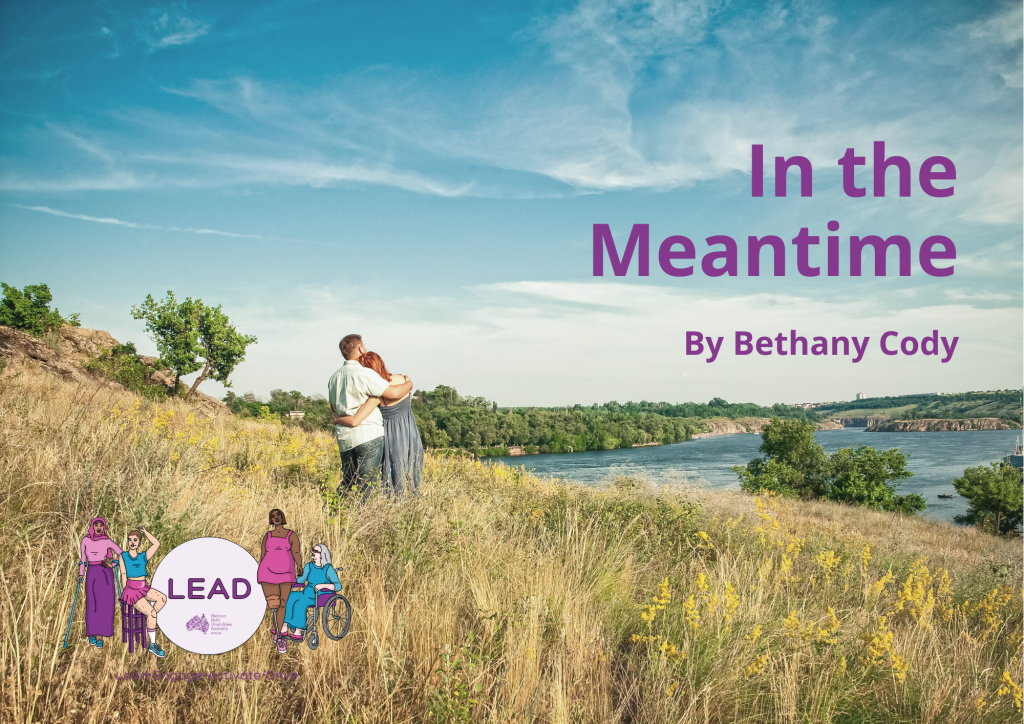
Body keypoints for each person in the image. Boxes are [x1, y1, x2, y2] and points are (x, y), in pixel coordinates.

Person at [328, 334, 413, 499]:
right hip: (368, 435)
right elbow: (393, 393)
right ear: (360, 349)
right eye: (364, 346)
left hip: (344, 437)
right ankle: (363, 513)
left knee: (348, 480)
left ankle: (338, 510)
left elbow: (333, 407)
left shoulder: (334, 378)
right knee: (367, 483)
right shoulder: (365, 374)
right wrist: (409, 384)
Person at [256, 508, 302, 654]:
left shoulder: (291, 535)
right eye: (273, 516)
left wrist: (299, 565)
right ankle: (278, 632)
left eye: (279, 515)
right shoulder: (268, 535)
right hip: (267, 572)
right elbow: (263, 554)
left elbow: (296, 552)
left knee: (282, 604)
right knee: (273, 603)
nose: (276, 517)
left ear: (283, 517)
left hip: (286, 573)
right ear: (271, 519)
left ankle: (279, 635)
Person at [118, 527, 168, 658]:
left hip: (143, 587)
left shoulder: (142, 556)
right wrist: (125, 592)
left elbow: (156, 543)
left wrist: (145, 532)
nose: (132, 542)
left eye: (135, 540)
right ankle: (153, 644)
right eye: (130, 540)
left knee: (162, 598)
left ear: (139, 542)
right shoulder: (123, 556)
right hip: (131, 590)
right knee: (152, 613)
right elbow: (123, 574)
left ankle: (150, 620)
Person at [280, 543, 342, 641]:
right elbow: (301, 580)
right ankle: (284, 628)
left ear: (322, 554)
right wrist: (289, 582)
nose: (313, 552)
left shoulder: (328, 568)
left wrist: (323, 585)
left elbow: (338, 586)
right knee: (289, 597)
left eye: (316, 551)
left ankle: (298, 632)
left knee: (300, 603)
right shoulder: (309, 566)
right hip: (306, 593)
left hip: (319, 595)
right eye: (313, 550)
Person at [78, 517, 122, 648]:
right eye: (96, 525)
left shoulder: (106, 540)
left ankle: (100, 637)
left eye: (101, 525)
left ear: (104, 527)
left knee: (103, 605)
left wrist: (113, 564)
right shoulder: (86, 540)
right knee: (92, 603)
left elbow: (121, 554)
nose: (98, 527)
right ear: (92, 526)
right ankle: (91, 633)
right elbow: (83, 559)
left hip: (104, 572)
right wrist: (81, 574)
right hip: (92, 572)